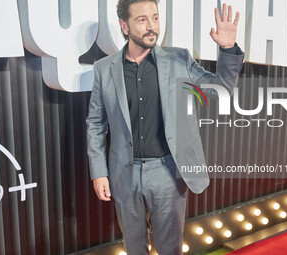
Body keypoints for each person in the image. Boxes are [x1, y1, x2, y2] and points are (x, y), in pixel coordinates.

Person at [86, 0, 244, 254]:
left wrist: (228, 50)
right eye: (142, 20)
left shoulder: (179, 59)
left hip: (168, 172)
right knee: (134, 247)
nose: (152, 27)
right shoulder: (104, 69)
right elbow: (95, 123)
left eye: (155, 18)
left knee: (170, 247)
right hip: (124, 172)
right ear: (124, 26)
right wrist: (99, 171)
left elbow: (221, 90)